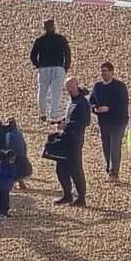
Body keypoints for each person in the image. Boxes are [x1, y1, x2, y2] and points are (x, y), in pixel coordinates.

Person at [90, 62, 129, 180]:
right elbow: (91, 100)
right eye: (101, 71)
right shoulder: (97, 86)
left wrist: (109, 108)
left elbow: (123, 104)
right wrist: (94, 108)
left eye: (105, 70)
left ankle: (114, 173)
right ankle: (109, 169)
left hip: (118, 121)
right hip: (103, 122)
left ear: (112, 72)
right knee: (106, 145)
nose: (103, 73)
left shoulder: (120, 86)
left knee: (115, 145)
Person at [56, 77, 91, 207]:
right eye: (67, 88)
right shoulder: (72, 101)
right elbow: (70, 117)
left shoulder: (82, 102)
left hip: (75, 140)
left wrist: (67, 125)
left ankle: (81, 197)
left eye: (70, 87)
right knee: (61, 168)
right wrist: (62, 121)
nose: (69, 90)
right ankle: (67, 195)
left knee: (76, 169)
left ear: (76, 85)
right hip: (66, 139)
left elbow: (85, 121)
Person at [30, 19, 71, 123]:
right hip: (58, 67)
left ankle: (42, 113)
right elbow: (67, 53)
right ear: (54, 27)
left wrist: (38, 65)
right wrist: (66, 67)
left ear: (44, 28)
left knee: (42, 91)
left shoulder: (40, 40)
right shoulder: (61, 39)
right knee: (56, 91)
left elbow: (33, 56)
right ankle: (54, 114)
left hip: (44, 67)